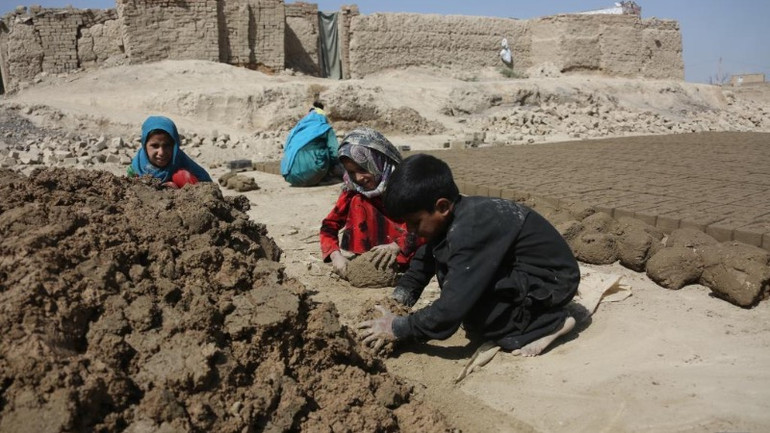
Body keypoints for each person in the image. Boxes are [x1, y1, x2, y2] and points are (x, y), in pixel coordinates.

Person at [358, 154, 580, 357]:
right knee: (454, 278)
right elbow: (423, 262)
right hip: (519, 266)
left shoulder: (471, 229)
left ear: (442, 206)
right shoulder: (449, 218)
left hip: (552, 280)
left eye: (415, 222)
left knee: (482, 316)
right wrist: (398, 300)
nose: (411, 229)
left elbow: (451, 309)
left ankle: (551, 323)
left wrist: (399, 328)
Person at [320, 127, 420, 278]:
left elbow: (427, 224)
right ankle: (368, 256)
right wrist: (335, 256)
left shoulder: (407, 185)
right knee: (358, 200)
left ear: (378, 161)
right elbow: (329, 226)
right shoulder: (353, 189)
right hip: (370, 260)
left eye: (363, 168)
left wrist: (397, 245)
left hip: (411, 252)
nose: (359, 178)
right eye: (352, 172)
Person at [127, 115, 212, 188]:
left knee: (181, 176)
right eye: (155, 146)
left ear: (174, 146)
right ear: (144, 145)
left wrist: (178, 192)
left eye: (167, 146)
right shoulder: (137, 168)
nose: (161, 153)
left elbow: (207, 189)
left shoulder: (181, 162)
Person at [280, 102, 341, 187]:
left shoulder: (296, 131)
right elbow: (335, 153)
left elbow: (286, 149)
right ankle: (325, 177)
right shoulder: (324, 128)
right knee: (328, 149)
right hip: (313, 174)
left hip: (290, 177)